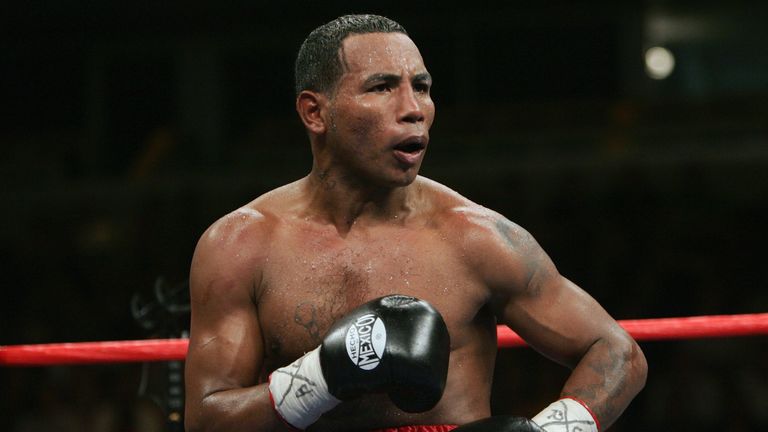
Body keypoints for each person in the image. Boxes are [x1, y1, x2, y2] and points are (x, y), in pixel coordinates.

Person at [184, 14, 647, 432]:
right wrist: (321, 377)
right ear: (314, 112)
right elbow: (207, 420)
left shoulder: (475, 236)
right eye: (382, 87)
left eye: (421, 87)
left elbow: (618, 354)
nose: (414, 108)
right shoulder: (242, 244)